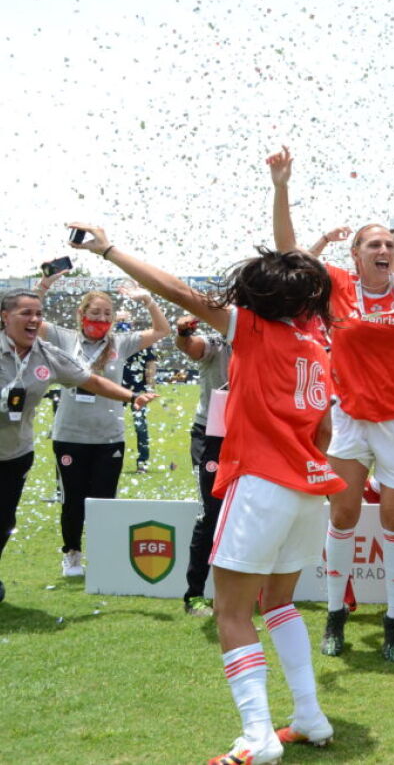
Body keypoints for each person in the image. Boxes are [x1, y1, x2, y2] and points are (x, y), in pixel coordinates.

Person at [69, 213, 345, 763]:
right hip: (310, 488)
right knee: (280, 603)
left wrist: (110, 250)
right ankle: (310, 716)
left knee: (232, 612)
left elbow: (175, 290)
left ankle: (258, 736)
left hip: (262, 483)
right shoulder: (316, 344)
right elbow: (325, 430)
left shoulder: (256, 329)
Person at [269, 146, 394, 662]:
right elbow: (287, 253)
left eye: (390, 243)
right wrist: (282, 187)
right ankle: (335, 615)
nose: (384, 249)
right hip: (348, 421)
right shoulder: (337, 288)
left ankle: (393, 618)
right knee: (343, 515)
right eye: (374, 244)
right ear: (356, 255)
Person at [1, 290, 153, 604]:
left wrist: (130, 397)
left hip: (15, 452)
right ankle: (69, 553)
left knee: (4, 522)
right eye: (25, 313)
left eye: (38, 314)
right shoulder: (57, 340)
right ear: (4, 316)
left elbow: (91, 381)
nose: (34, 320)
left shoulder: (46, 354)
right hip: (64, 438)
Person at [42, 284, 168, 576]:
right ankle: (72, 554)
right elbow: (30, 320)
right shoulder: (65, 338)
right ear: (81, 313)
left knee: (104, 499)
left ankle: (102, 554)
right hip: (70, 435)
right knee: (72, 499)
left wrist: (148, 299)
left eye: (107, 314)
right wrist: (44, 286)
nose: (101, 318)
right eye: (95, 312)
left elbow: (161, 331)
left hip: (109, 436)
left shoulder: (120, 343)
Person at [175, 314, 232, 617]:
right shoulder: (218, 342)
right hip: (211, 437)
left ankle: (244, 594)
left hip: (253, 437)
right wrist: (184, 331)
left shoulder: (267, 340)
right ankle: (194, 594)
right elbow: (191, 346)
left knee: (249, 513)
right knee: (211, 513)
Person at [120, 313, 158, 474]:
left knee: (140, 427)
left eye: (125, 320)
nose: (123, 324)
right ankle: (110, 459)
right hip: (115, 389)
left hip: (138, 391)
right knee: (111, 426)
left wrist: (150, 387)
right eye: (120, 320)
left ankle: (142, 462)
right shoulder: (113, 341)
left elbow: (150, 365)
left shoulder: (142, 342)